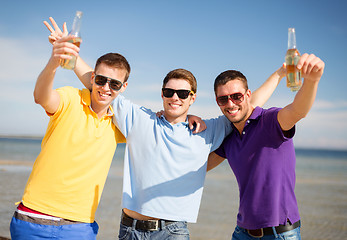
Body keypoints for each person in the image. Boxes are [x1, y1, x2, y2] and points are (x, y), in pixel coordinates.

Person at [44, 18, 284, 240]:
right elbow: (99, 83)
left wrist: (280, 73)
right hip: (130, 229)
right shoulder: (139, 119)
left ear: (192, 98)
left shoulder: (209, 130)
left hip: (173, 232)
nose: (174, 98)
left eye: (182, 93)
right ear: (162, 94)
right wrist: (70, 53)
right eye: (169, 92)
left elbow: (249, 106)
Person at [9, 34, 130, 239]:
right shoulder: (71, 98)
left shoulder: (121, 122)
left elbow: (157, 129)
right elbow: (41, 96)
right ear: (93, 78)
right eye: (100, 80)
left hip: (79, 227)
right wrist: (54, 63)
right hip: (33, 218)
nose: (105, 88)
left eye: (115, 84)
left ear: (123, 87)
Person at [208, 54, 325, 239]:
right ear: (218, 102)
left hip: (279, 234)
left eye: (236, 96)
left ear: (248, 95)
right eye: (223, 99)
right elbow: (199, 167)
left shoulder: (269, 122)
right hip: (242, 232)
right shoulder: (229, 138)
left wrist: (312, 81)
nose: (230, 104)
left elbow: (297, 111)